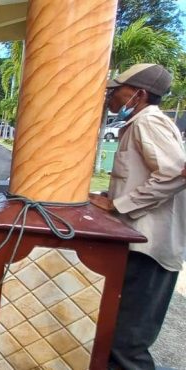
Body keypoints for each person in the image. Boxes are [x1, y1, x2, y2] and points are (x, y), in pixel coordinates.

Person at [88, 64, 186, 370]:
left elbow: (175, 175)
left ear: (139, 94)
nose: (111, 96)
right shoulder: (140, 122)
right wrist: (110, 196)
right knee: (115, 334)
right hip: (139, 241)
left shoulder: (149, 122)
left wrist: (118, 205)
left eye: (117, 90)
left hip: (151, 247)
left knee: (126, 344)